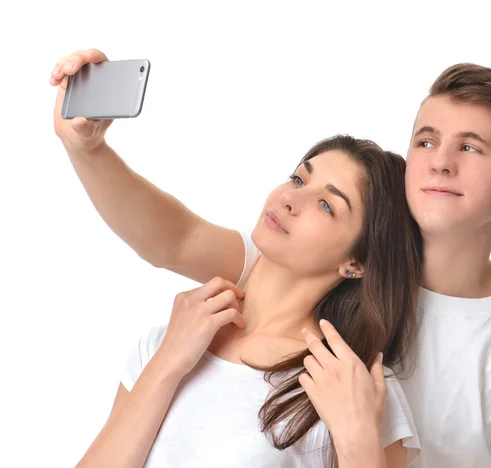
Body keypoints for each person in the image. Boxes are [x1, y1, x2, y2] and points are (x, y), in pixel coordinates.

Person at [51, 49, 491, 466]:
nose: (441, 164)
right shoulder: (265, 277)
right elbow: (171, 236)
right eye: (426, 141)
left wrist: (362, 439)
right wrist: (87, 147)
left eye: (472, 147)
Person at [61, 132, 422, 467]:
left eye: (326, 205)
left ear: (356, 263)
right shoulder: (167, 342)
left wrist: (358, 442)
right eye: (298, 179)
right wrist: (167, 364)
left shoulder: (354, 386)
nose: (290, 199)